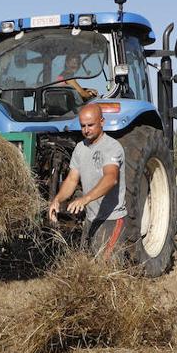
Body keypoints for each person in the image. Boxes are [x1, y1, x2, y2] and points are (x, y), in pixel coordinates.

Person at [46, 102, 127, 260]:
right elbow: (71, 179)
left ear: (102, 122)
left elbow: (111, 178)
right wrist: (57, 200)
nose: (86, 130)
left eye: (90, 125)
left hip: (111, 219)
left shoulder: (112, 147)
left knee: (107, 269)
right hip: (91, 219)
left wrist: (85, 199)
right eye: (83, 126)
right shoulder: (80, 148)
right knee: (86, 264)